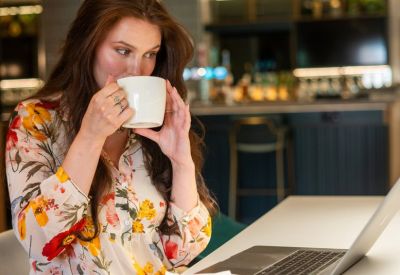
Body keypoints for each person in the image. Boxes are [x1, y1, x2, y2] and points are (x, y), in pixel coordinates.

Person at [5, 0, 217, 274]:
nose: (137, 70)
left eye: (150, 54)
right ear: (88, 46)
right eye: (122, 50)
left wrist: (181, 162)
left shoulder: (150, 129)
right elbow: (40, 243)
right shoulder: (36, 119)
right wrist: (90, 137)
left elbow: (183, 253)